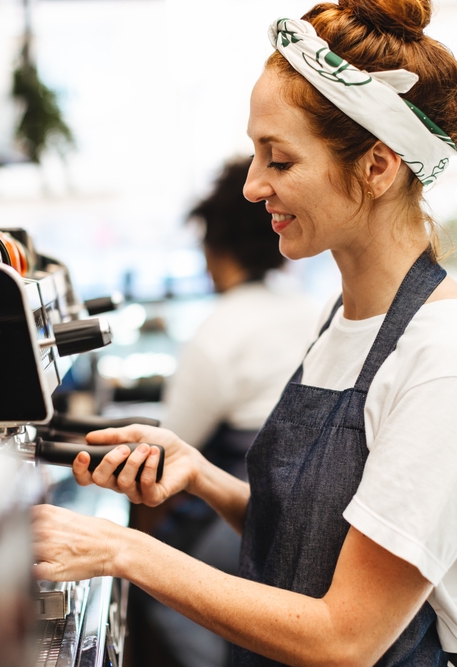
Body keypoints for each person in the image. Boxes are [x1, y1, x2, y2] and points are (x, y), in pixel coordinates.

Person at [33, 1, 457, 665]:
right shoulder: (344, 318)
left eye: (279, 160)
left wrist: (121, 548)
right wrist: (202, 476)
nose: (252, 184)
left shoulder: (445, 355)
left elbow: (345, 635)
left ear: (378, 166)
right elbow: (313, 543)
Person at [148, 157, 316, 667]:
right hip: (312, 513)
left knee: (165, 596)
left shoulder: (218, 329)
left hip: (250, 513)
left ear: (214, 247)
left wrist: (135, 538)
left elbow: (165, 451)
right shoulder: (313, 309)